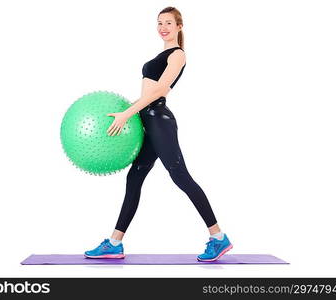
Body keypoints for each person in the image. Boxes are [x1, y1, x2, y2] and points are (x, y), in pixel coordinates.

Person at [85, 6, 233, 262]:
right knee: (135, 177)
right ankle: (114, 243)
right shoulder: (162, 53)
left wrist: (127, 114)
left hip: (160, 121)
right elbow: (147, 94)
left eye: (168, 22)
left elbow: (159, 91)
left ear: (179, 26)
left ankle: (218, 238)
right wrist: (129, 111)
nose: (163, 27)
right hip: (149, 122)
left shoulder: (178, 55)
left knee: (180, 177)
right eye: (159, 23)